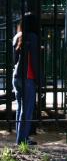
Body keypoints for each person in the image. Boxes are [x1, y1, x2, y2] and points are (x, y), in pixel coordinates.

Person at [12, 13, 40, 145]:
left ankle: (20, 138)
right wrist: (39, 79)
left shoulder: (17, 36)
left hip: (16, 77)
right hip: (28, 77)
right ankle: (22, 140)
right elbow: (34, 60)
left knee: (20, 109)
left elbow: (15, 59)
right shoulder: (33, 37)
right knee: (27, 111)